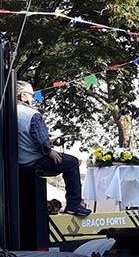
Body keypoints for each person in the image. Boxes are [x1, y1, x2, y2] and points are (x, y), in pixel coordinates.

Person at [15, 81, 91, 216]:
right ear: (22, 96)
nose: (33, 98)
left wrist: (49, 141)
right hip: (33, 163)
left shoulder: (7, 112)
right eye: (31, 95)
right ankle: (74, 205)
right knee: (71, 162)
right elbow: (41, 143)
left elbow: (25, 138)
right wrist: (49, 151)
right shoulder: (32, 114)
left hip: (17, 164)